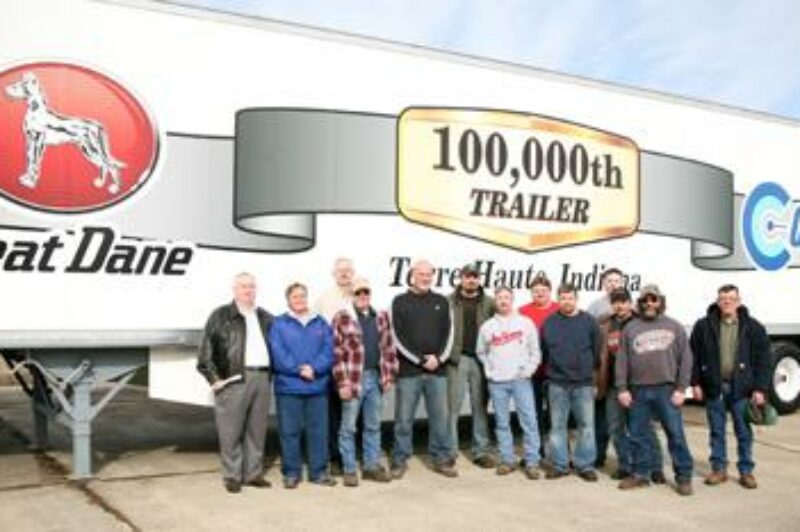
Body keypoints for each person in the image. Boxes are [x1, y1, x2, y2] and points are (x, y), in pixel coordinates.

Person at [197, 272, 274, 493]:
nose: (248, 290)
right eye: (243, 286)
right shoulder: (221, 315)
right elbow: (206, 350)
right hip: (234, 379)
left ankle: (253, 474)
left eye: (251, 286)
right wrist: (214, 378)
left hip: (262, 378)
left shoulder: (266, 317)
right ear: (234, 289)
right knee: (230, 431)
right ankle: (232, 475)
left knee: (257, 430)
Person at [690, 284, 770, 489]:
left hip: (742, 390)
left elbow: (763, 361)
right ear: (717, 301)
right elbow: (694, 357)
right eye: (723, 298)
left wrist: (760, 389)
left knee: (743, 431)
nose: (727, 302)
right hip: (714, 388)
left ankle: (746, 471)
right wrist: (695, 383)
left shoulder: (753, 327)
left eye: (731, 298)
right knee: (716, 431)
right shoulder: (703, 326)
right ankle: (719, 469)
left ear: (739, 301)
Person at [617, 284, 694, 496]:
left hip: (667, 390)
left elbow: (686, 359)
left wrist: (681, 388)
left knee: (676, 435)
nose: (650, 303)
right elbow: (622, 360)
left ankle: (684, 476)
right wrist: (622, 388)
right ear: (640, 303)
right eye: (646, 300)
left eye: (654, 299)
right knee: (638, 435)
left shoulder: (675, 326)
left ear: (660, 301)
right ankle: (640, 474)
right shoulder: (631, 328)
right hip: (638, 391)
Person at [390, 259, 456, 478]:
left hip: (437, 371)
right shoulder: (399, 301)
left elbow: (450, 334)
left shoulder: (441, 301)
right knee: (403, 420)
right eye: (421, 274)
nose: (425, 277)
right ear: (412, 275)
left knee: (440, 419)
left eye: (429, 274)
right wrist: (420, 360)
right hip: (410, 372)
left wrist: (438, 358)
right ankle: (400, 459)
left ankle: (441, 459)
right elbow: (397, 337)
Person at [332, 277, 399, 487]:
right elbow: (336, 353)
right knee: (348, 427)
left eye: (366, 292)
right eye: (358, 293)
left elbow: (389, 348)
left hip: (376, 378)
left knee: (373, 425)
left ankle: (371, 466)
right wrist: (342, 382)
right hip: (353, 379)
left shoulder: (381, 316)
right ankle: (350, 469)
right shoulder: (342, 318)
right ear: (351, 295)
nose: (362, 296)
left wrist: (388, 376)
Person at [270, 282, 336, 488]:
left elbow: (329, 350)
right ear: (288, 300)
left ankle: (318, 472)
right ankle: (291, 472)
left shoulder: (320, 323)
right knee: (290, 431)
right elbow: (278, 352)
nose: (299, 300)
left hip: (316, 386)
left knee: (318, 432)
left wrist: (314, 369)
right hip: (289, 387)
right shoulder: (279, 324)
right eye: (295, 296)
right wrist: (299, 369)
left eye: (302, 296)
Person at [597, 288, 663, 481]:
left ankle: (655, 467)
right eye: (616, 302)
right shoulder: (605, 324)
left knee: (644, 427)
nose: (620, 305)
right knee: (615, 428)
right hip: (612, 385)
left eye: (623, 301)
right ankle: (625, 465)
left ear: (630, 302)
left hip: (637, 384)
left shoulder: (641, 322)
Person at [477, 286, 542, 479]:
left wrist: (528, 370)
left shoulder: (525, 323)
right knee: (502, 423)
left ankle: (532, 462)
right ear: (495, 301)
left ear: (512, 300)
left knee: (529, 421)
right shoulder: (488, 326)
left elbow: (535, 351)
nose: (503, 301)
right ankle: (507, 460)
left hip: (520, 380)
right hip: (497, 382)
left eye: (507, 297)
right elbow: (481, 352)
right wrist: (490, 370)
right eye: (499, 298)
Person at [540, 283, 600, 481]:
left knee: (586, 426)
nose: (567, 301)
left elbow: (596, 351)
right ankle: (560, 465)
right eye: (563, 298)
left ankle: (585, 465)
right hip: (557, 383)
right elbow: (545, 352)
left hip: (583, 383)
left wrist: (591, 377)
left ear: (576, 299)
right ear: (559, 299)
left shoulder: (589, 322)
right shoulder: (549, 323)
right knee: (557, 426)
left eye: (570, 298)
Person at [446, 262, 495, 468]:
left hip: (480, 360)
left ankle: (480, 451)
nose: (471, 280)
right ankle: (449, 451)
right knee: (452, 407)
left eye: (475, 276)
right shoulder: (448, 301)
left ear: (479, 279)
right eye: (468, 276)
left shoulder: (489, 302)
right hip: (456, 359)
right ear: (461, 278)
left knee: (480, 406)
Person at [315, 257, 356, 475]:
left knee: (353, 414)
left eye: (348, 271)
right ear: (333, 273)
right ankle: (335, 457)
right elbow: (318, 334)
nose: (344, 274)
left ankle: (349, 454)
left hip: (356, 367)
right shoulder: (324, 300)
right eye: (340, 271)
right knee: (334, 414)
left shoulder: (360, 296)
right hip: (334, 365)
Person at [518, 275, 559, 454]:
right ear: (531, 293)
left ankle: (560, 453)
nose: (540, 294)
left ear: (550, 292)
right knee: (533, 414)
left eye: (543, 290)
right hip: (531, 373)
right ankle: (536, 451)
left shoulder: (559, 309)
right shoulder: (522, 311)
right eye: (536, 291)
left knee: (556, 416)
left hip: (555, 372)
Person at [587, 267, 623, 468]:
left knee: (624, 424)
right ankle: (598, 456)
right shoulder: (595, 307)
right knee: (600, 421)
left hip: (625, 376)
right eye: (609, 281)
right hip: (602, 373)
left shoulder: (630, 305)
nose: (613, 284)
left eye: (617, 281)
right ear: (603, 284)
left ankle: (629, 461)